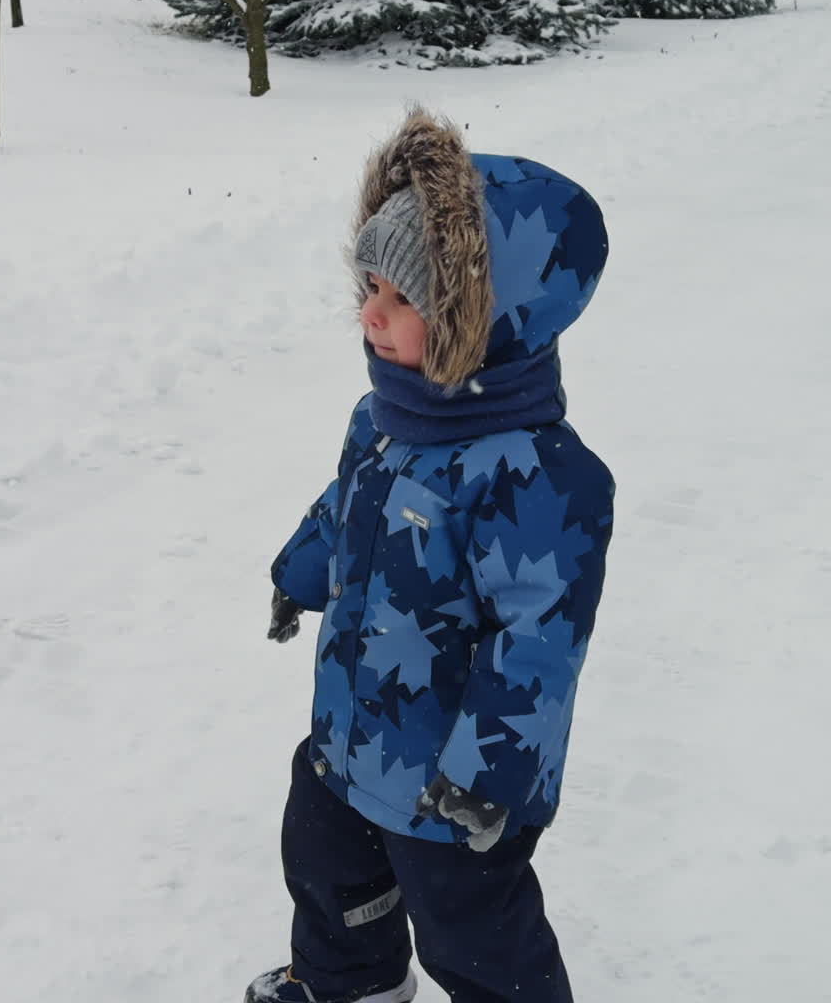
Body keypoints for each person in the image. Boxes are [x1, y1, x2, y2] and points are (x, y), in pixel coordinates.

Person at [247, 110, 615, 1003]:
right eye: (369, 282)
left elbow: (538, 646)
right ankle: (350, 984)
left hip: (455, 785)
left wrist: (487, 780)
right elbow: (345, 509)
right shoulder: (382, 419)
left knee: (475, 932)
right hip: (352, 735)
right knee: (329, 872)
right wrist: (298, 571)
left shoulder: (538, 477)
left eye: (403, 297)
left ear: (483, 320)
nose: (369, 311)